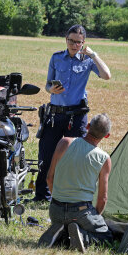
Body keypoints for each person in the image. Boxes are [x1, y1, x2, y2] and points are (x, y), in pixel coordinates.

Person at [33, 24, 111, 202]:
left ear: (84, 43)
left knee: (75, 156)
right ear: (66, 40)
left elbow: (107, 75)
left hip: (76, 116)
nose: (74, 45)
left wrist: (93, 54)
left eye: (78, 42)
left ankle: (68, 195)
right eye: (71, 41)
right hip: (54, 115)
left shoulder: (88, 61)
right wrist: (51, 89)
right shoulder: (56, 58)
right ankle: (42, 195)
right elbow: (46, 85)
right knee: (46, 154)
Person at [38, 114, 113, 252]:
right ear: (106, 136)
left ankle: (60, 232)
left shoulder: (65, 142)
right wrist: (95, 217)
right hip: (81, 212)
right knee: (106, 238)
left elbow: (49, 177)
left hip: (56, 210)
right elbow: (102, 198)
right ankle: (81, 237)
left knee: (66, 223)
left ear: (88, 126)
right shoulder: (104, 159)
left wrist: (58, 199)